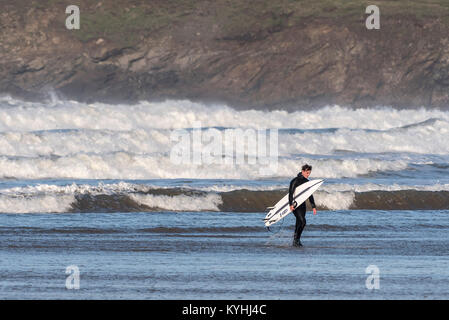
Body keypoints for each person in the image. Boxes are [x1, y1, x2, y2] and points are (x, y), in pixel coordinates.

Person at [288, 164, 317, 247]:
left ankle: (296, 241)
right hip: (295, 205)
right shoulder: (295, 181)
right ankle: (296, 239)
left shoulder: (307, 182)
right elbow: (290, 193)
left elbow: (310, 195)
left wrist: (313, 206)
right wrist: (290, 205)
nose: (308, 175)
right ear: (303, 171)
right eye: (307, 173)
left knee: (298, 223)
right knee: (303, 222)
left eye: (309, 173)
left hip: (302, 205)